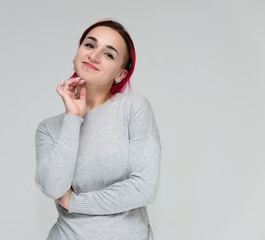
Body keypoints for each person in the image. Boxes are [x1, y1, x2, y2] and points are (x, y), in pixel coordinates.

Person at [35, 19, 161, 240]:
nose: (94, 56)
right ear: (76, 54)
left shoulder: (133, 108)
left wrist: (75, 202)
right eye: (90, 45)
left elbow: (144, 188)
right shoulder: (49, 129)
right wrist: (74, 118)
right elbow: (53, 188)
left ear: (120, 74)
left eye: (109, 54)